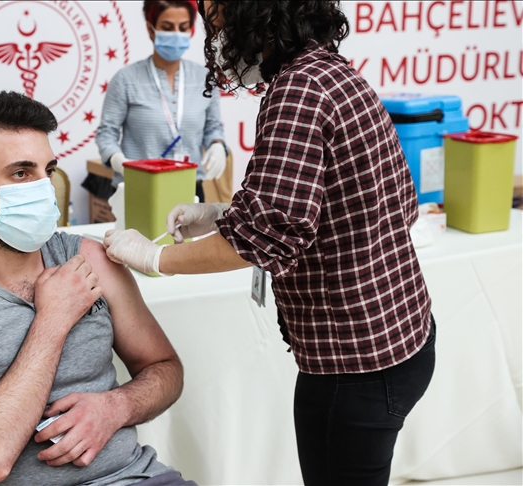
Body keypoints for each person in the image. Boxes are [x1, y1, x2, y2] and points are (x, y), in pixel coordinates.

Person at [103, 2, 435, 485]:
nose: (215, 33)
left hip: (356, 362)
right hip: (402, 335)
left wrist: (156, 257)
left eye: (217, 17)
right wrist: (223, 214)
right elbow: (341, 203)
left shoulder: (299, 92)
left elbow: (263, 241)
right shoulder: (331, 72)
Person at [0, 91, 194, 486]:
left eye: (47, 170)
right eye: (21, 173)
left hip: (134, 478)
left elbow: (165, 369)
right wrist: (53, 320)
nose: (44, 188)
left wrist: (116, 406)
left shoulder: (88, 258)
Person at [95, 0, 227, 202]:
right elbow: (106, 134)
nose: (176, 34)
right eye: (167, 27)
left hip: (189, 187)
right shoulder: (126, 79)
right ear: (151, 29)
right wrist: (118, 160)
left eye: (183, 27)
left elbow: (213, 127)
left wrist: (217, 145)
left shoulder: (205, 79)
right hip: (138, 186)